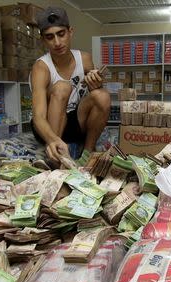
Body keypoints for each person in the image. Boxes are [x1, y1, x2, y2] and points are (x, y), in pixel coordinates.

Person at [30, 6, 111, 164]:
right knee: (62, 87)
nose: (57, 42)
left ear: (70, 32)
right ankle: (55, 156)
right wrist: (52, 140)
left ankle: (88, 154)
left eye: (61, 34)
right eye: (50, 37)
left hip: (75, 121)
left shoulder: (85, 59)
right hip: (48, 125)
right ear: (43, 40)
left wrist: (96, 83)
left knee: (103, 95)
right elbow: (38, 117)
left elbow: (95, 96)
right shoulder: (41, 67)